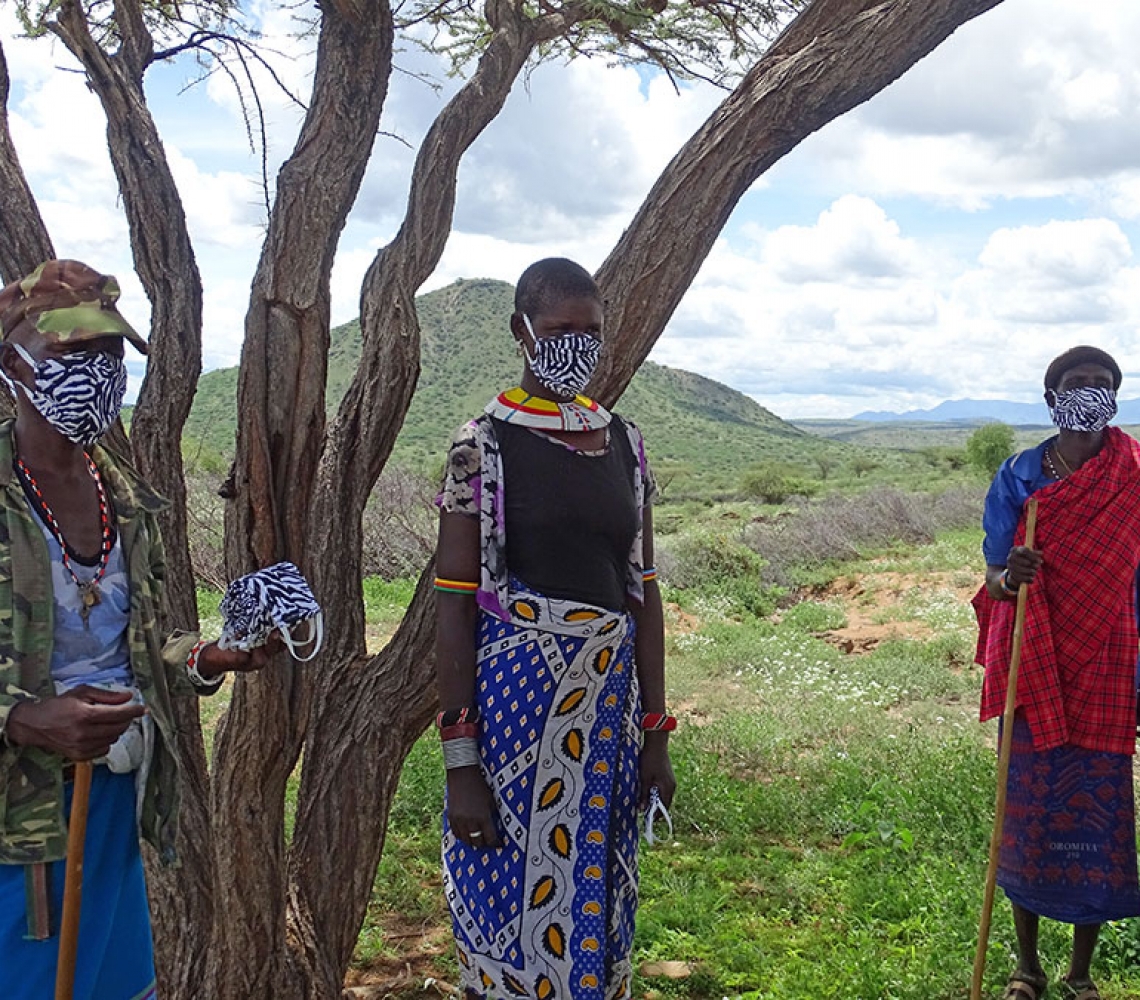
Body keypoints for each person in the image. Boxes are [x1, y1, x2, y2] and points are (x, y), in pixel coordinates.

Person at [0, 260, 273, 1000]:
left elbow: (136, 653)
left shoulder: (126, 502)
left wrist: (212, 655)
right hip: (14, 824)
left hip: (112, 803)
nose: (95, 373)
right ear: (13, 361)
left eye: (109, 355)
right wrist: (25, 719)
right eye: (71, 354)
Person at [433, 258, 676, 1000]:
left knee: (598, 895)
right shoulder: (481, 448)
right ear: (522, 333)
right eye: (561, 329)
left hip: (606, 716)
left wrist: (656, 733)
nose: (578, 345)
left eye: (590, 332)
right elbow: (453, 602)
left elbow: (645, 593)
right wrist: (461, 761)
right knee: (505, 896)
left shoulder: (624, 446)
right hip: (513, 721)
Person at [973, 345, 1140, 1000]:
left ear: (1117, 399)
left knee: (1098, 815)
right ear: (1051, 400)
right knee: (1028, 815)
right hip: (1033, 661)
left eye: (1103, 384)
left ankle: (1079, 972)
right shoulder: (1019, 480)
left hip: (1109, 660)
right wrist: (1008, 577)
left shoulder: (1133, 479)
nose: (1090, 392)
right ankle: (1027, 967)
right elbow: (992, 572)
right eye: (1077, 383)